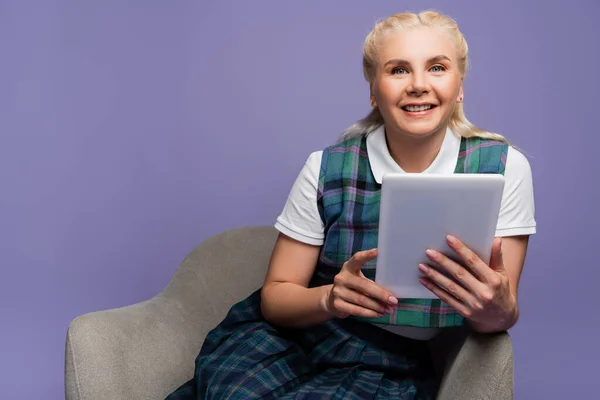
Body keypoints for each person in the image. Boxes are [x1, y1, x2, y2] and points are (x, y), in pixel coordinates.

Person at [166, 9, 536, 400]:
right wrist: (329, 298)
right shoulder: (326, 168)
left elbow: (497, 316)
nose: (418, 85)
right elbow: (276, 296)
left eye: (437, 68)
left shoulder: (504, 168)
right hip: (294, 344)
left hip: (392, 365)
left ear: (459, 86)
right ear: (374, 91)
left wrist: (495, 306)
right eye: (398, 70)